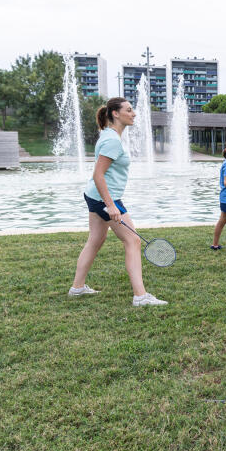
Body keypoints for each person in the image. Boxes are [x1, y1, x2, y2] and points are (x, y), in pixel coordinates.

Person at [69, 97, 167, 306]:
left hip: (95, 196)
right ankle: (140, 296)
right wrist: (111, 205)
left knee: (95, 240)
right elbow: (98, 174)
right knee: (133, 241)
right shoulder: (112, 140)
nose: (133, 114)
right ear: (115, 113)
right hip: (104, 198)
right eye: (129, 110)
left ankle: (77, 287)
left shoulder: (108, 135)